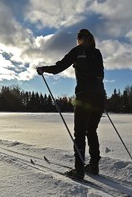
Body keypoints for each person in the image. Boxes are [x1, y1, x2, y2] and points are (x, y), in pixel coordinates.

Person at [37, 29, 106, 179]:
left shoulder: (77, 50)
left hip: (84, 97)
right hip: (100, 97)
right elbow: (100, 74)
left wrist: (43, 69)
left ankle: (79, 170)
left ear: (80, 39)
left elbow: (59, 67)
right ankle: (94, 165)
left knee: (80, 133)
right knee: (91, 130)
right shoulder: (97, 53)